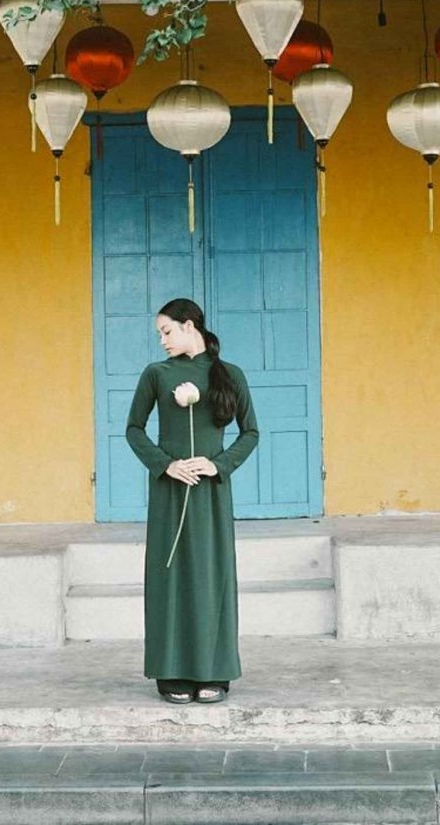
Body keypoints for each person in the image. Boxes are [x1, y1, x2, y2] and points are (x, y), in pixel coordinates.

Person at [125, 298, 259, 704]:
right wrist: (165, 466)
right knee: (170, 577)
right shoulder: (156, 375)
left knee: (210, 576)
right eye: (159, 334)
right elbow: (134, 429)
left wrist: (218, 466)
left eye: (166, 331)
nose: (162, 341)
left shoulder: (229, 375)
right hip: (169, 491)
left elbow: (250, 433)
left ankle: (214, 671)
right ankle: (172, 671)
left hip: (211, 493)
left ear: (188, 326)